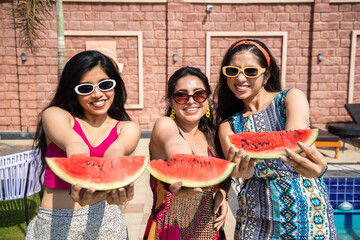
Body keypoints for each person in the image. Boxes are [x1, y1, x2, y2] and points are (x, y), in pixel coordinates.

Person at [215, 39, 337, 239]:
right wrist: (239, 172)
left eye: (251, 71)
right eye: (232, 71)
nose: (240, 78)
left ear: (266, 75)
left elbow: (292, 145)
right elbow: (235, 171)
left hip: (306, 215)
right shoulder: (228, 125)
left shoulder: (290, 98)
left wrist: (321, 168)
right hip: (254, 219)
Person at [26, 50, 141, 239]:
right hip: (55, 225)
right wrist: (82, 180)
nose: (97, 94)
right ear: (73, 91)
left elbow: (116, 152)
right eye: (85, 88)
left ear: (115, 87)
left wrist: (110, 182)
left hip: (106, 225)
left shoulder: (128, 128)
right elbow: (75, 144)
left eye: (105, 85)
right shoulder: (55, 115)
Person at [144, 66, 228, 240]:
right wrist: (186, 170)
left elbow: (226, 173)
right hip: (168, 232)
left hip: (210, 231)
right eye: (181, 95)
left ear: (208, 100)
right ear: (171, 102)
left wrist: (222, 193)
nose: (191, 101)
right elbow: (176, 146)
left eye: (199, 94)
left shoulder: (212, 135)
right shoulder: (165, 125)